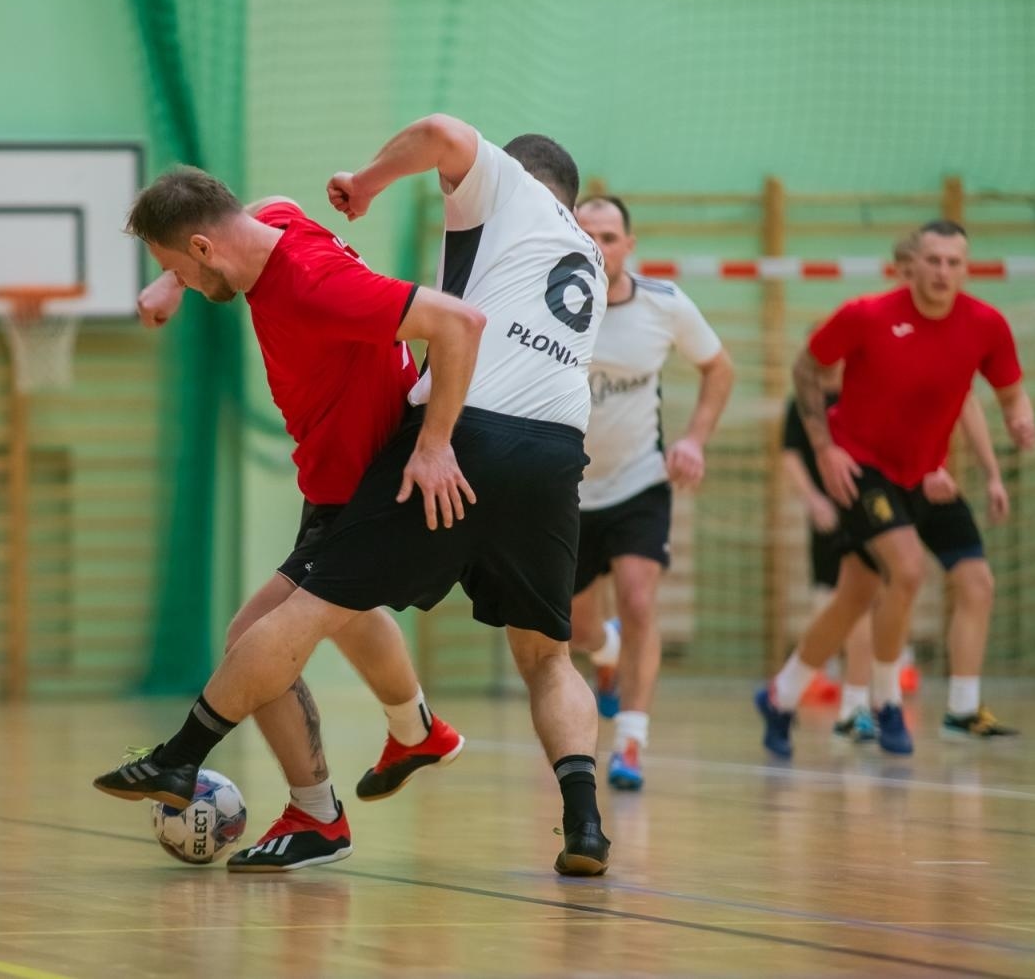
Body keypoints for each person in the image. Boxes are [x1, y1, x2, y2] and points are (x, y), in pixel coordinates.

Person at [95, 113, 613, 875]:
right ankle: (580, 821)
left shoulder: (488, 198)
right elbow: (249, 215)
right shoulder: (586, 254)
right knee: (544, 656)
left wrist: (366, 182)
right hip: (557, 451)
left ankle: (212, 766)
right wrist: (173, 278)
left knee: (282, 621)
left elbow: (444, 168)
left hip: (448, 436)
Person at [103, 176, 479, 872]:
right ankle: (416, 731)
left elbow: (458, 321)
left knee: (253, 638)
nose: (188, 283)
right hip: (333, 475)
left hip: (362, 481)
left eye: (182, 266)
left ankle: (316, 814)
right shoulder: (272, 224)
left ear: (203, 247)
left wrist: (435, 444)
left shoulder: (311, 283)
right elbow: (262, 207)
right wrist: (172, 283)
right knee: (343, 611)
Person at [756, 220, 1035, 759]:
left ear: (966, 269)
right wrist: (825, 449)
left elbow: (1008, 394)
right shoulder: (867, 315)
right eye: (933, 260)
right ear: (911, 266)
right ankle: (885, 702)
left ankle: (782, 695)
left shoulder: (986, 326)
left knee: (927, 586)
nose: (943, 272)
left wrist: (1020, 419)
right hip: (860, 471)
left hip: (925, 477)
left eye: (954, 262)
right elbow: (806, 366)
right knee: (906, 570)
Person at [564, 195, 733, 790]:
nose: (596, 247)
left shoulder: (665, 304)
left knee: (638, 602)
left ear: (628, 246)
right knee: (578, 630)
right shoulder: (546, 304)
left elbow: (719, 368)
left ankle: (630, 742)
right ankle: (605, 652)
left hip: (639, 481)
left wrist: (694, 441)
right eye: (585, 235)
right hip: (569, 490)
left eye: (608, 237)